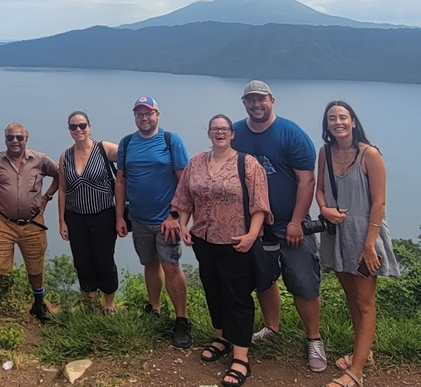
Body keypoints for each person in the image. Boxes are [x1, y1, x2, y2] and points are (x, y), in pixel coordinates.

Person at [234, 80, 327, 372]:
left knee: (303, 281)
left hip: (291, 224)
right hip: (256, 226)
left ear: (272, 100)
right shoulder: (236, 133)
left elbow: (306, 180)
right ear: (244, 103)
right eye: (251, 100)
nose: (256, 105)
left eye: (261, 99)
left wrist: (298, 222)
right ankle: (271, 328)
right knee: (264, 278)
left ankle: (314, 338)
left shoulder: (291, 134)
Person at [175, 116, 272, 387]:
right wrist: (183, 225)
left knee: (237, 297)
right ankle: (222, 338)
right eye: (215, 129)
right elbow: (184, 198)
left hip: (236, 241)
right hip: (204, 240)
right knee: (213, 290)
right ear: (209, 133)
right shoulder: (196, 162)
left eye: (224, 129)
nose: (219, 133)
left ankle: (241, 357)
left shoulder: (247, 163)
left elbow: (260, 204)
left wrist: (252, 235)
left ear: (232, 134)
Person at [315, 101, 402, 387]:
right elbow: (320, 190)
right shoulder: (325, 152)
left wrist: (370, 245)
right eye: (332, 118)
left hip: (366, 235)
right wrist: (324, 208)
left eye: (342, 117)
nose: (337, 122)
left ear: (353, 121)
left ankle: (356, 372)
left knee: (365, 303)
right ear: (327, 125)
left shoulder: (370, 154)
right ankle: (362, 354)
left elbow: (379, 202)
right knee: (352, 297)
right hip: (336, 234)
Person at [113, 96, 193, 348]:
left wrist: (175, 216)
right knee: (149, 263)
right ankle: (154, 308)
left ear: (157, 114)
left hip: (166, 221)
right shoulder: (127, 143)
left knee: (171, 267)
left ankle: (182, 320)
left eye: (148, 113)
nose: (144, 118)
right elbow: (121, 182)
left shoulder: (171, 141)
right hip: (138, 219)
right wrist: (119, 217)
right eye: (139, 114)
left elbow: (185, 181)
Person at [0, 122, 60, 329]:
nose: (15, 141)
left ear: (26, 139)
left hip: (33, 223)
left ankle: (39, 305)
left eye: (19, 138)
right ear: (5, 139)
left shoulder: (40, 160)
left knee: (35, 267)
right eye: (10, 138)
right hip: (4, 223)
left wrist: (47, 197)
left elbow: (60, 174)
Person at [57, 111, 121, 312]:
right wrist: (62, 221)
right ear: (69, 130)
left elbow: (133, 157)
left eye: (82, 125)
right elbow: (62, 189)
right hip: (75, 217)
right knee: (82, 261)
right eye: (73, 127)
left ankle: (109, 305)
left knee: (104, 260)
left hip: (103, 215)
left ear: (90, 127)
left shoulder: (104, 149)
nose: (78, 130)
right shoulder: (65, 156)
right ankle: (90, 304)